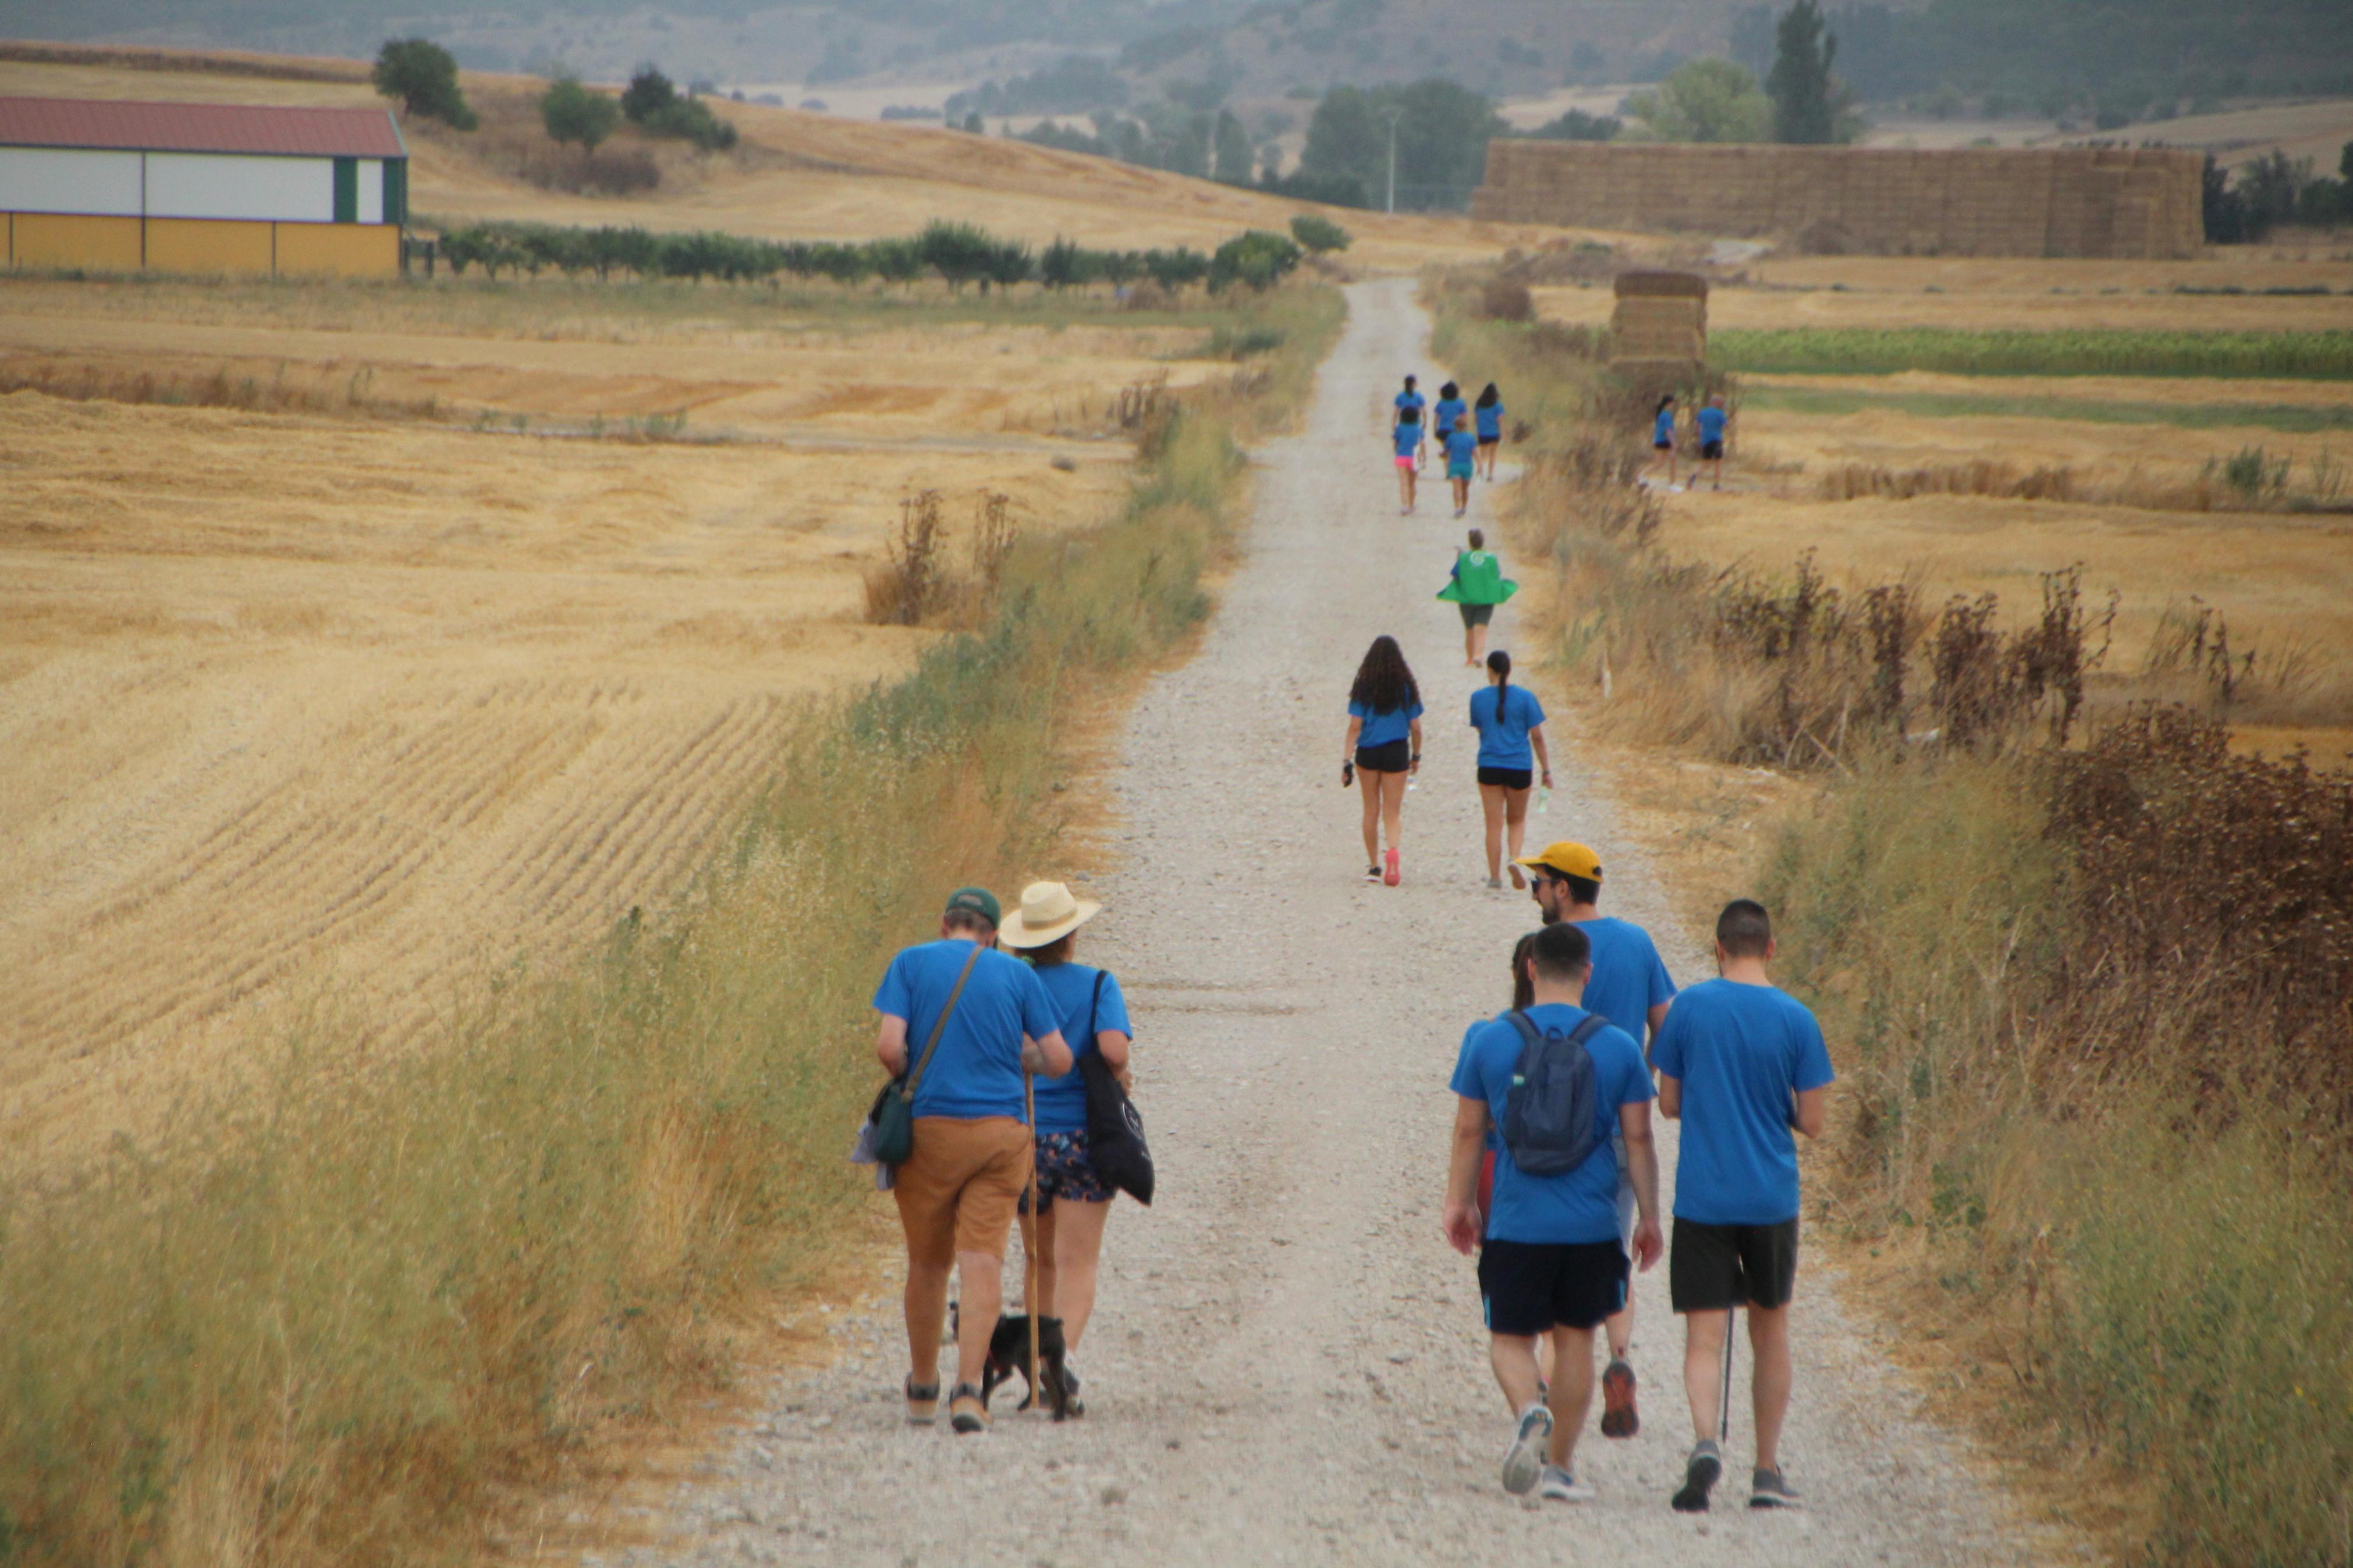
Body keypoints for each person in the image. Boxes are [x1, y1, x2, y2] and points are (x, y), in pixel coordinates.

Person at [1444, 921, 1663, 1504]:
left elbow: (1468, 1131)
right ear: (1587, 974)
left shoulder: (1491, 1040)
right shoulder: (1617, 1045)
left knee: (1509, 1338)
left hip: (1517, 1220)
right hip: (1591, 1225)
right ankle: (1560, 1470)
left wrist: (1460, 1203)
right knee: (1575, 1340)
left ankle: (1527, 1408)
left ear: (1530, 968)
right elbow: (1638, 1138)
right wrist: (1647, 1217)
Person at [1651, 898, 1834, 1512]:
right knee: (1770, 1330)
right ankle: (1764, 1469)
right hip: (1769, 1197)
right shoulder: (1797, 1018)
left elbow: (1668, 1103)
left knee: (1704, 1337)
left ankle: (1706, 1438)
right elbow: (1812, 1121)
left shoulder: (1688, 1008)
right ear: (1770, 948)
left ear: (1718, 947)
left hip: (1703, 1195)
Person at [872, 887, 1073, 1435]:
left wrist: (913, 1070)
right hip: (1001, 1134)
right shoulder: (1016, 975)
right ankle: (968, 1392)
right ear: (993, 935)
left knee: (928, 1264)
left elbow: (889, 1047)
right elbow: (1058, 1058)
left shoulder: (909, 963)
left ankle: (922, 1388)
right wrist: (1021, 1057)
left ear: (946, 924)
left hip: (930, 1132)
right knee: (982, 1260)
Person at [1514, 840, 1676, 1439]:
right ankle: (1619, 1354)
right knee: (1611, 1250)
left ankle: (1548, 1390)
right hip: (1618, 1131)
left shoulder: (1548, 951)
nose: (1535, 892)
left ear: (1563, 888)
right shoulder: (1636, 943)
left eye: (1539, 882)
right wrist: (1642, 1078)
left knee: (1553, 1258)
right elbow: (1666, 1027)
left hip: (1552, 1131)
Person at [998, 880, 1132, 1417]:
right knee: (1079, 1262)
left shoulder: (1010, 985)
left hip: (1025, 1137)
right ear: (1071, 936)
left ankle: (1036, 1366)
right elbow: (1114, 1050)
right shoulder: (1099, 984)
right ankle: (1063, 1360)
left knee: (1038, 1260)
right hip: (1082, 1137)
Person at [1343, 634, 1422, 887]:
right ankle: (1393, 851)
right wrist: (1416, 755)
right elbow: (1416, 726)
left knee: (1371, 810)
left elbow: (1355, 726)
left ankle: (1374, 866)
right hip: (1396, 751)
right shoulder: (1406, 687)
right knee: (1392, 811)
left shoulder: (1363, 686)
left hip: (1368, 752)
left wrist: (1346, 759)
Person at [1469, 652, 1551, 890]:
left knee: (1493, 824)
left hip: (1489, 766)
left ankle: (1495, 877)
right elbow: (1537, 736)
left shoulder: (1477, 698)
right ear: (1509, 670)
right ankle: (1514, 858)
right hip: (1519, 767)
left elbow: (1481, 730)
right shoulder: (1526, 698)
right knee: (1516, 820)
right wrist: (1546, 770)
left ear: (1490, 670)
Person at [1436, 527, 1517, 667]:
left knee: (1469, 630)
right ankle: (1478, 655)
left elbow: (1455, 574)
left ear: (1470, 543)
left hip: (1467, 599)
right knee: (1481, 628)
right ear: (1482, 542)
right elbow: (1496, 575)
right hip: (1486, 599)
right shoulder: (1491, 558)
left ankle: (1469, 658)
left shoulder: (1463, 558)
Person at [1391, 401, 1424, 514]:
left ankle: (1404, 505)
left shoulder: (1400, 428)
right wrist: (1423, 457)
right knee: (1412, 483)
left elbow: (1396, 442)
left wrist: (1396, 452)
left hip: (1402, 457)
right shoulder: (1418, 429)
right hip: (1414, 458)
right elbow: (1422, 444)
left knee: (1403, 483)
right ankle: (1412, 504)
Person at [1445, 413, 1479, 518]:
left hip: (1455, 465)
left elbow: (1446, 452)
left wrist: (1444, 458)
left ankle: (1457, 509)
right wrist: (1479, 464)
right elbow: (1475, 452)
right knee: (1465, 489)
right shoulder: (1470, 437)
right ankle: (1464, 507)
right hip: (1467, 465)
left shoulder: (1450, 437)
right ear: (1465, 426)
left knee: (1456, 489)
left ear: (1455, 426)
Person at [1642, 393, 1678, 489]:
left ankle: (1641, 475)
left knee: (1658, 463)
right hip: (1665, 441)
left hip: (1658, 441)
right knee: (1673, 461)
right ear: (1669, 403)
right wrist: (1673, 443)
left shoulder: (1661, 414)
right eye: (1673, 403)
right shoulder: (1667, 415)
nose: (1674, 405)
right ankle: (1672, 484)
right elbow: (1668, 430)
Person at [1696, 393, 1729, 490]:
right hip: (1716, 440)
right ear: (1716, 402)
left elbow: (1697, 425)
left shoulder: (1703, 412)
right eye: (1721, 402)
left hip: (1705, 440)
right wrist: (1725, 414)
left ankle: (1693, 475)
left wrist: (1700, 436)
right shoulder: (1720, 413)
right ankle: (1716, 484)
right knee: (1718, 463)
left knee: (1706, 464)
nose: (1721, 403)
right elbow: (1726, 426)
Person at [1473, 382, 1505, 481]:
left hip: (1482, 433)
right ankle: (1490, 475)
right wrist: (1503, 434)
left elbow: (1476, 419)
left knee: (1483, 455)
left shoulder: (1479, 405)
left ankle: (1479, 473)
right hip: (1494, 433)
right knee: (1493, 454)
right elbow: (1500, 421)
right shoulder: (1498, 406)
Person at [1433, 381, 1467, 459]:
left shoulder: (1441, 403)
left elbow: (1436, 419)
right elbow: (1464, 418)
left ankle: (1447, 463)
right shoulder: (1461, 403)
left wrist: (1435, 431)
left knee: (1446, 451)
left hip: (1443, 431)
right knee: (1454, 451)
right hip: (1456, 430)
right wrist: (1464, 429)